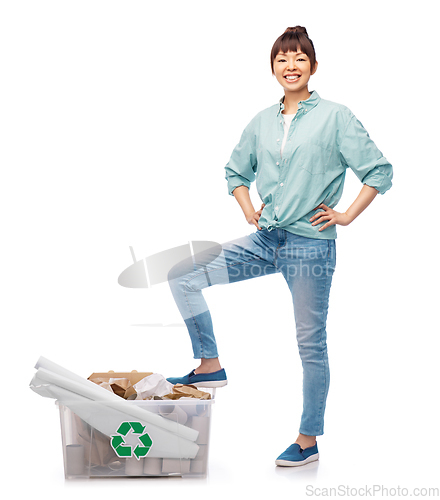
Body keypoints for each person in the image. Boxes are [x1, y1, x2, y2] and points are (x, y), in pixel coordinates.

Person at [166, 26, 393, 467]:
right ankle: (210, 363)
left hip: (311, 249)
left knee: (311, 344)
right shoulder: (262, 122)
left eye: (299, 58)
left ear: (312, 66)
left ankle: (307, 441)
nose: (291, 66)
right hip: (266, 239)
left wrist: (345, 215)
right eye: (282, 59)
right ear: (273, 68)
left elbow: (379, 172)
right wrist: (247, 207)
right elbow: (235, 171)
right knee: (183, 275)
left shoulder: (336, 117)